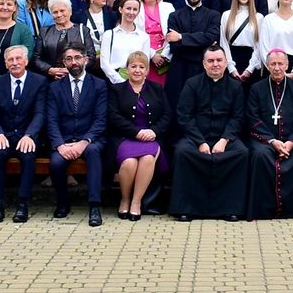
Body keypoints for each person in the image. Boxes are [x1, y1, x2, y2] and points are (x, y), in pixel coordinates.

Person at [170, 45, 249, 222]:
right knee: (183, 153)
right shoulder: (192, 84)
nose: (215, 64)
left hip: (225, 137)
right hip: (196, 136)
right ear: (204, 64)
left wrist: (224, 140)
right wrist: (200, 142)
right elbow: (184, 115)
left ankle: (231, 209)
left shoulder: (235, 87)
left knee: (241, 153)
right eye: (211, 61)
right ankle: (186, 209)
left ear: (226, 62)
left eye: (219, 60)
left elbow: (238, 118)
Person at [246, 49, 293, 220]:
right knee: (260, 155)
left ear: (287, 65)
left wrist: (292, 141)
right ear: (267, 65)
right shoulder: (257, 88)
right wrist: (272, 141)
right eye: (273, 64)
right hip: (265, 140)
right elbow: (253, 118)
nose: (277, 68)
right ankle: (263, 210)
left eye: (280, 64)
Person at [46, 42, 108, 225]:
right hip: (64, 139)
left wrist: (84, 142)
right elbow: (51, 120)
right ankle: (63, 203)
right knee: (56, 162)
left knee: (94, 153)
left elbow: (100, 119)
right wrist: (60, 145)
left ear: (86, 60)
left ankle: (95, 206)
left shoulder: (99, 85)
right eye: (69, 59)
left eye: (77, 58)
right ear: (63, 63)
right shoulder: (55, 88)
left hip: (91, 139)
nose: (74, 62)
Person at [0, 45, 47, 223]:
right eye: (10, 60)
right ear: (5, 64)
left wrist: (30, 135)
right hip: (4, 135)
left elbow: (40, 113)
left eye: (18, 59)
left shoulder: (40, 82)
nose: (15, 63)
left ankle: (23, 205)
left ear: (26, 61)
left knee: (28, 157)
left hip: (27, 135)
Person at [109, 51, 171, 220]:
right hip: (125, 138)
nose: (137, 70)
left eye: (141, 67)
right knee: (129, 163)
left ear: (147, 70)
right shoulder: (117, 90)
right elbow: (113, 116)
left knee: (148, 159)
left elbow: (167, 115)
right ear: (126, 69)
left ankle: (136, 202)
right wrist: (136, 132)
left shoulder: (157, 89)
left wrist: (154, 131)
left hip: (151, 138)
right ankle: (125, 199)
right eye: (133, 66)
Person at [164, 0, 221, 111]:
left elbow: (211, 38)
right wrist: (201, 41)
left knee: (204, 105)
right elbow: (175, 46)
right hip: (179, 68)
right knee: (177, 105)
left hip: (203, 68)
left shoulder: (214, 15)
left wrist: (181, 37)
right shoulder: (174, 16)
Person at [35, 0, 93, 80]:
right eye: (55, 12)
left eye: (62, 11)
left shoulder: (83, 30)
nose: (59, 15)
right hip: (51, 79)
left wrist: (72, 69)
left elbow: (91, 56)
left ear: (70, 11)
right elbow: (37, 58)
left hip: (78, 77)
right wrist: (49, 70)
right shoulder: (44, 31)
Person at [100, 0, 152, 85]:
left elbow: (145, 63)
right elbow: (104, 64)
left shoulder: (144, 37)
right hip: (113, 83)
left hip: (136, 83)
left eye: (135, 9)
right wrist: (120, 81)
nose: (131, 12)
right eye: (128, 8)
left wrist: (134, 82)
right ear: (121, 9)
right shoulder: (109, 35)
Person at [134, 0, 174, 85]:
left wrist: (165, 55)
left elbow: (173, 32)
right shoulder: (136, 9)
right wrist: (153, 55)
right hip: (145, 56)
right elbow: (136, 35)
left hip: (166, 57)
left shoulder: (168, 7)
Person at [220, 0, 260, 80]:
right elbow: (224, 42)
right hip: (231, 59)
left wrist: (250, 69)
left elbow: (259, 46)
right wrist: (231, 67)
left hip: (251, 61)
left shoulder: (259, 17)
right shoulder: (226, 15)